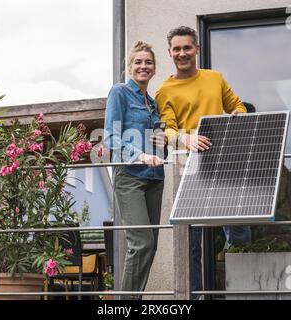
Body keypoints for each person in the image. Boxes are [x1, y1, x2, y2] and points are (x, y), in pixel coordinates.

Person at [155, 26, 251, 299]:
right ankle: (195, 297)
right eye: (177, 49)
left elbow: (238, 106)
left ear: (197, 49)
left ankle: (242, 291)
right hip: (192, 168)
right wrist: (186, 139)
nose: (182, 53)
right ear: (170, 53)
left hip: (225, 163)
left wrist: (239, 115)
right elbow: (167, 131)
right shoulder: (164, 90)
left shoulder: (215, 78)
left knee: (238, 232)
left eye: (187, 47)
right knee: (192, 243)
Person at [104, 41, 166, 300]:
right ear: (130, 67)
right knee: (141, 243)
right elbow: (110, 138)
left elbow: (157, 141)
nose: (143, 66)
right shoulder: (119, 93)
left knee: (150, 248)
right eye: (138, 62)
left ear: (153, 69)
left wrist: (163, 144)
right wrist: (140, 155)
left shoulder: (153, 103)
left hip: (154, 179)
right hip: (129, 176)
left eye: (148, 62)